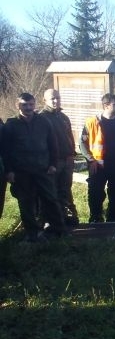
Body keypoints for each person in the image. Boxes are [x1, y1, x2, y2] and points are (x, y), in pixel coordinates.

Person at [1, 93, 66, 241]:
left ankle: (58, 229)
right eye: (24, 105)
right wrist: (9, 171)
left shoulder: (43, 121)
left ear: (35, 104)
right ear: (18, 105)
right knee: (26, 202)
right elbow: (5, 151)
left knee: (51, 198)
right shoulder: (11, 125)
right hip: (22, 171)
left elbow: (52, 144)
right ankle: (33, 233)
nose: (28, 107)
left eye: (31, 104)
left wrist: (53, 164)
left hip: (43, 168)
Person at [79, 93, 115, 223]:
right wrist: (90, 160)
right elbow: (82, 143)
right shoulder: (93, 122)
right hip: (98, 165)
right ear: (106, 105)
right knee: (96, 193)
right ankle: (96, 218)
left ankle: (112, 219)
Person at [39, 88, 79, 225]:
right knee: (51, 192)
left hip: (67, 160)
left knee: (65, 190)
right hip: (53, 162)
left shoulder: (63, 117)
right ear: (45, 100)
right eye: (52, 98)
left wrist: (72, 154)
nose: (56, 101)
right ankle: (51, 222)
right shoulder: (41, 118)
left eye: (58, 97)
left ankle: (66, 219)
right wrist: (50, 162)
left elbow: (69, 137)